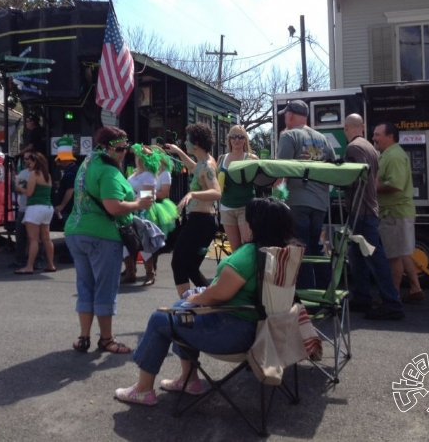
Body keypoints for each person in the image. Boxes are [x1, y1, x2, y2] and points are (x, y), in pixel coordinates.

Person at [114, 197, 299, 405]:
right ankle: (189, 380)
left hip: (236, 332)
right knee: (179, 310)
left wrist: (196, 297)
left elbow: (218, 295)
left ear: (256, 224)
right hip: (264, 328)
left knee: (160, 318)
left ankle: (143, 389)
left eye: (246, 221)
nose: (243, 225)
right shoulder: (284, 251)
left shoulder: (249, 255)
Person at [64, 127, 154, 354]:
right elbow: (113, 207)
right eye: (119, 149)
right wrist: (138, 205)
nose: (124, 152)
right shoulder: (108, 172)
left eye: (125, 148)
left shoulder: (87, 163)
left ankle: (84, 337)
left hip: (76, 231)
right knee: (105, 288)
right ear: (105, 147)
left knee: (85, 286)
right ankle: (106, 339)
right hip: (101, 235)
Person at [343, 115, 404, 320]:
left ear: (345, 128)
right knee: (358, 257)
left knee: (374, 258)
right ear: (363, 127)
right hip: (370, 208)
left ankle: (392, 303)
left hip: (360, 210)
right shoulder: (371, 147)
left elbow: (353, 179)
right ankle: (362, 297)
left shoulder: (352, 149)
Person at [275, 99, 336, 290]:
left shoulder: (289, 136)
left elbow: (280, 170)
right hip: (320, 203)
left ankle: (306, 295)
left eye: (286, 114)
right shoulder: (323, 138)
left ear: (291, 115)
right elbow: (334, 166)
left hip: (298, 200)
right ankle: (327, 291)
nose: (285, 117)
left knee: (300, 248)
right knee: (316, 245)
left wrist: (277, 198)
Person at [164, 123, 221, 297]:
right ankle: (203, 300)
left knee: (179, 264)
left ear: (195, 144)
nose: (185, 144)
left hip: (201, 222)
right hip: (201, 221)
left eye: (187, 141)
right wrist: (178, 152)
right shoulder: (204, 162)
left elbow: (217, 192)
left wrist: (193, 194)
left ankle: (189, 303)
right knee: (190, 267)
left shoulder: (208, 166)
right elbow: (193, 168)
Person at [373, 122, 424, 304]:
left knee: (393, 256)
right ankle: (415, 288)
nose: (374, 138)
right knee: (402, 252)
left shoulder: (394, 156)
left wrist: (372, 187)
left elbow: (395, 185)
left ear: (390, 137)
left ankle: (391, 297)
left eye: (378, 134)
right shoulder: (389, 154)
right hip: (398, 212)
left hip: (394, 213)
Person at [122, 144, 159, 285]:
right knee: (127, 240)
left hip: (143, 212)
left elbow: (148, 195)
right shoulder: (135, 172)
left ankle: (150, 273)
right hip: (131, 210)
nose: (135, 156)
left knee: (144, 243)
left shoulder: (148, 174)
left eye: (138, 154)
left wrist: (133, 199)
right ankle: (130, 272)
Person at [216, 125, 258, 252]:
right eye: (233, 136)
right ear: (229, 139)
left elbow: (260, 182)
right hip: (226, 207)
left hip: (245, 207)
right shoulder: (221, 158)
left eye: (240, 137)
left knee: (247, 245)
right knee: (235, 249)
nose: (237, 139)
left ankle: (251, 272)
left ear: (245, 139)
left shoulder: (251, 158)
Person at [15, 152, 56, 275]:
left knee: (33, 239)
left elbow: (29, 193)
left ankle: (29, 266)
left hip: (35, 207)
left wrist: (18, 185)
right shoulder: (47, 175)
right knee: (46, 238)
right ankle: (51, 264)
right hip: (48, 208)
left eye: (30, 161)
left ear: (35, 162)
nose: (28, 164)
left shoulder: (34, 174)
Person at [9, 151, 33, 269]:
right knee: (32, 237)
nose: (26, 161)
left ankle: (23, 260)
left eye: (28, 158)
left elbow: (20, 190)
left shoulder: (25, 174)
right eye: (25, 159)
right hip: (31, 207)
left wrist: (17, 184)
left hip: (27, 208)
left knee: (25, 236)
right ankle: (34, 260)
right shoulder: (44, 174)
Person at [53, 136, 77, 222]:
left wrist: (62, 206)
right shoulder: (72, 169)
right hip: (69, 208)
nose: (59, 163)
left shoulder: (71, 171)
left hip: (69, 209)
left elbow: (70, 189)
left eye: (59, 160)